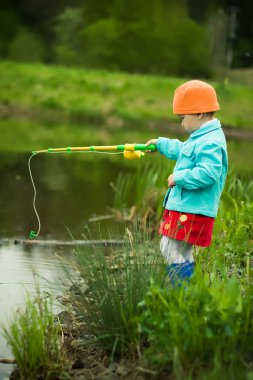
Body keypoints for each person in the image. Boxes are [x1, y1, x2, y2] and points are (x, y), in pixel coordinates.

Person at [146, 80, 228, 284]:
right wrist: (160, 144)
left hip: (191, 208)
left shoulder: (210, 141)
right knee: (180, 249)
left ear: (199, 113)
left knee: (168, 247)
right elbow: (184, 151)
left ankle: (182, 288)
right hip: (189, 207)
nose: (181, 124)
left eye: (183, 118)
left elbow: (209, 173)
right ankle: (187, 291)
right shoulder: (203, 136)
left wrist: (179, 177)